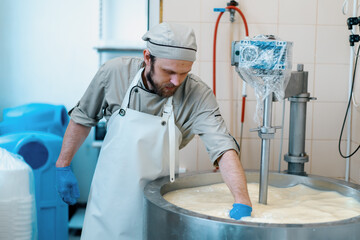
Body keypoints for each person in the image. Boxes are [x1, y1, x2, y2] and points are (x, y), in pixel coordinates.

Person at [55, 22, 252, 240]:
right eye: (168, 72)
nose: (176, 81)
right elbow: (83, 118)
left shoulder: (197, 94)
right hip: (108, 203)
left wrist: (242, 200)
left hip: (157, 203)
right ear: (147, 58)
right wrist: (62, 165)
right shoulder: (114, 74)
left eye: (184, 73)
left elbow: (223, 147)